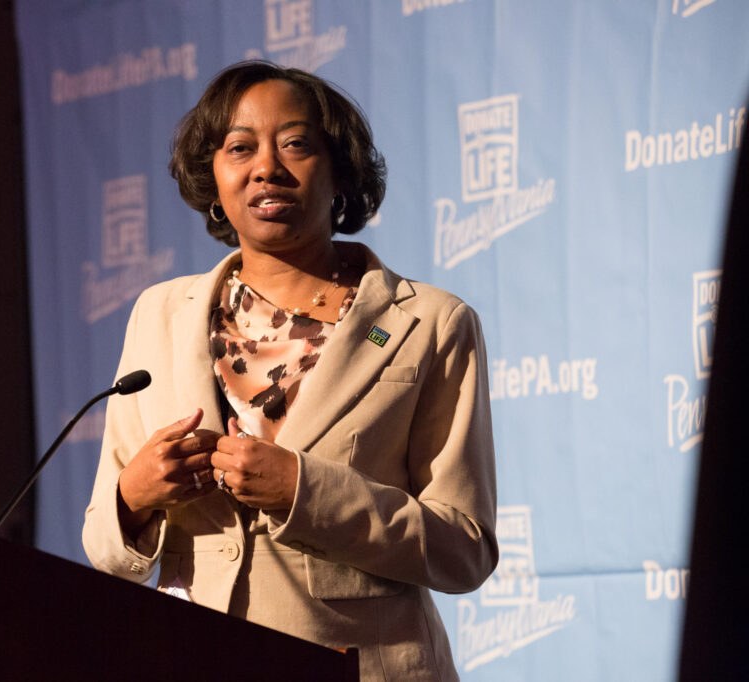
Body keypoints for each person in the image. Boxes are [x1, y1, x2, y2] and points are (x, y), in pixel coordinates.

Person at [82, 61, 498, 681]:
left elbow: (464, 549)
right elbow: (104, 546)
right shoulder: (158, 315)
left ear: (339, 172)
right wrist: (133, 496)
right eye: (239, 148)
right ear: (213, 177)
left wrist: (307, 492)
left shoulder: (431, 323)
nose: (266, 168)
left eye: (296, 144)